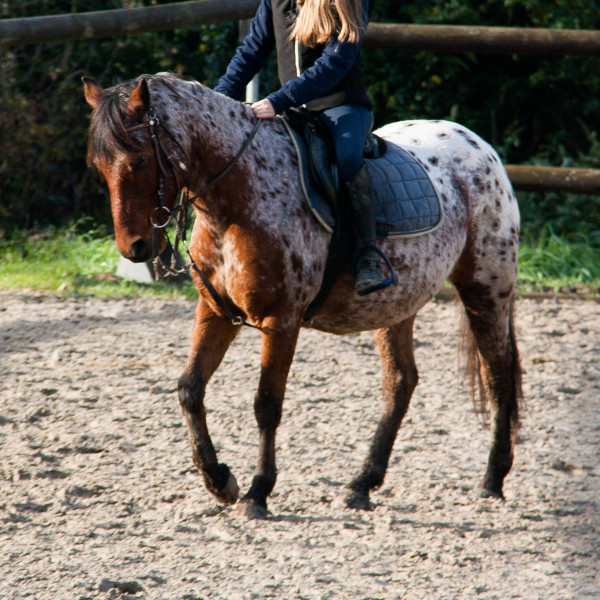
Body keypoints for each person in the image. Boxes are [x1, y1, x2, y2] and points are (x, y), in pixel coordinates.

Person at [214, 0, 391, 295]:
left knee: (347, 158)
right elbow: (252, 50)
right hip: (293, 109)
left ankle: (367, 254)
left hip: (341, 105)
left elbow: (336, 62)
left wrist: (278, 100)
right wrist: (217, 101)